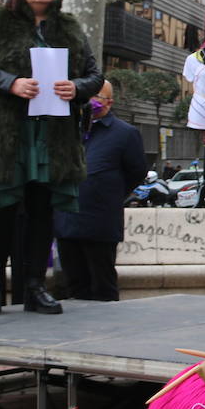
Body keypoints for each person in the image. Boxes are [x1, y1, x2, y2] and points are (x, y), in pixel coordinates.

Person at [0, 0, 104, 317]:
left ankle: (35, 287)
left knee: (41, 212)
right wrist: (10, 83)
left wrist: (77, 88)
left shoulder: (69, 27)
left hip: (51, 135)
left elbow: (94, 75)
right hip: (4, 134)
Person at [53, 80, 147, 301]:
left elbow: (136, 171)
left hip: (100, 222)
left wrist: (109, 193)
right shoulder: (68, 129)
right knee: (73, 285)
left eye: (98, 96)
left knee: (102, 285)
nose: (91, 101)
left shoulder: (125, 133)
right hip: (67, 221)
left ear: (110, 102)